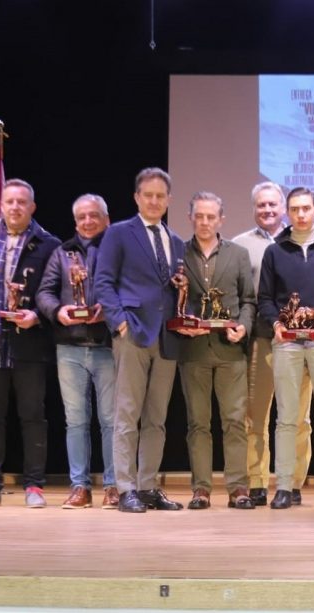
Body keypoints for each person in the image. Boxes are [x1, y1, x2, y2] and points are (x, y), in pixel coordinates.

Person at [0, 179, 62, 508]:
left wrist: (36, 314)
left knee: (33, 416)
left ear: (32, 207)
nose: (16, 207)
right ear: (1, 206)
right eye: (10, 202)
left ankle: (34, 485)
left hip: (30, 342)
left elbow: (56, 293)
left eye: (22, 202)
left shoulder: (49, 244)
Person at [95, 167, 186, 513]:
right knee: (127, 414)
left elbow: (178, 289)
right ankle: (125, 488)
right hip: (132, 333)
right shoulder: (119, 234)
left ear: (168, 200)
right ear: (137, 197)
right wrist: (119, 323)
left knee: (157, 417)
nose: (154, 201)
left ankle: (148, 486)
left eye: (160, 196)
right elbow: (103, 282)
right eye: (148, 195)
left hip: (166, 337)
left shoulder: (175, 240)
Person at [256, 186, 314, 509]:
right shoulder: (274, 252)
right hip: (287, 345)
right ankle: (283, 486)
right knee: (287, 418)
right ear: (287, 212)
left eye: (305, 208)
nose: (300, 214)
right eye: (294, 209)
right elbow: (265, 300)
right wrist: (276, 325)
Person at [232, 182, 313, 507]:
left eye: (273, 205)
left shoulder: (303, 242)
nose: (267, 210)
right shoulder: (238, 245)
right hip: (261, 341)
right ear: (255, 209)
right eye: (261, 205)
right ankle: (257, 482)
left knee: (298, 419)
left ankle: (292, 482)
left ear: (284, 208)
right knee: (256, 417)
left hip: (300, 343)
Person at [35, 194, 118, 509]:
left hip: (108, 346)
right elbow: (44, 291)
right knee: (76, 421)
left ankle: (113, 486)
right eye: (82, 216)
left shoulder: (116, 249)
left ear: (106, 219)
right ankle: (80, 487)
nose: (88, 221)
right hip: (69, 348)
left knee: (111, 421)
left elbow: (125, 289)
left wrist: (108, 310)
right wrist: (58, 310)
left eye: (94, 215)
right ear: (75, 221)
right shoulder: (61, 252)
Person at [177, 191, 256, 510]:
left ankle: (238, 487)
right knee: (198, 423)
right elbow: (173, 298)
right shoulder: (178, 253)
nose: (205, 222)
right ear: (191, 218)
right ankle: (201, 488)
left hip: (230, 350)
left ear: (221, 219)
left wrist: (244, 327)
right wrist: (180, 323)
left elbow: (248, 300)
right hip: (192, 350)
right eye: (199, 216)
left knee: (235, 421)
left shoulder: (238, 254)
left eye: (211, 216)